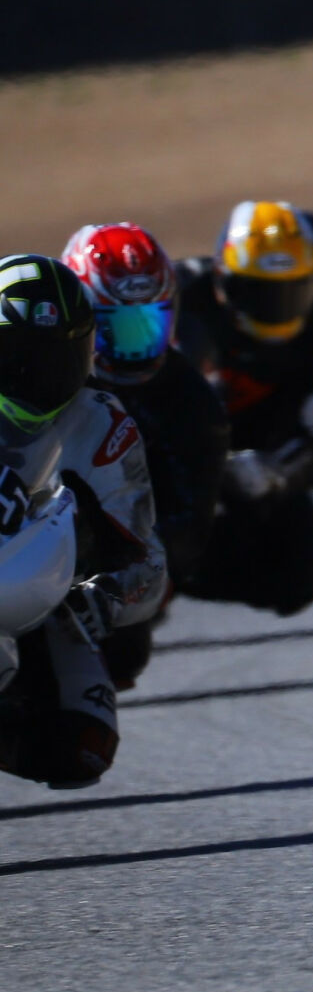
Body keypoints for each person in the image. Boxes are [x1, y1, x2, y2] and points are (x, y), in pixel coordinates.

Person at [0, 254, 167, 788]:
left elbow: (148, 558)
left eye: (58, 357)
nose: (37, 376)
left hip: (38, 592)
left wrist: (106, 595)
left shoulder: (102, 426)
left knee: (82, 749)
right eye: (17, 357)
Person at [172, 201, 313, 616]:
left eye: (292, 290)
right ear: (221, 278)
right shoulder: (178, 301)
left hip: (258, 460)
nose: (277, 305)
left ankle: (172, 580)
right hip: (169, 450)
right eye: (259, 291)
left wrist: (279, 471)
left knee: (302, 577)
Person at [62, 223, 231, 687]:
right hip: (25, 513)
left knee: (121, 659)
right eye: (114, 329)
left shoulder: (192, 400)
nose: (133, 347)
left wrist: (128, 576)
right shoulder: (41, 367)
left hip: (114, 540)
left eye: (147, 325)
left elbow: (192, 522)